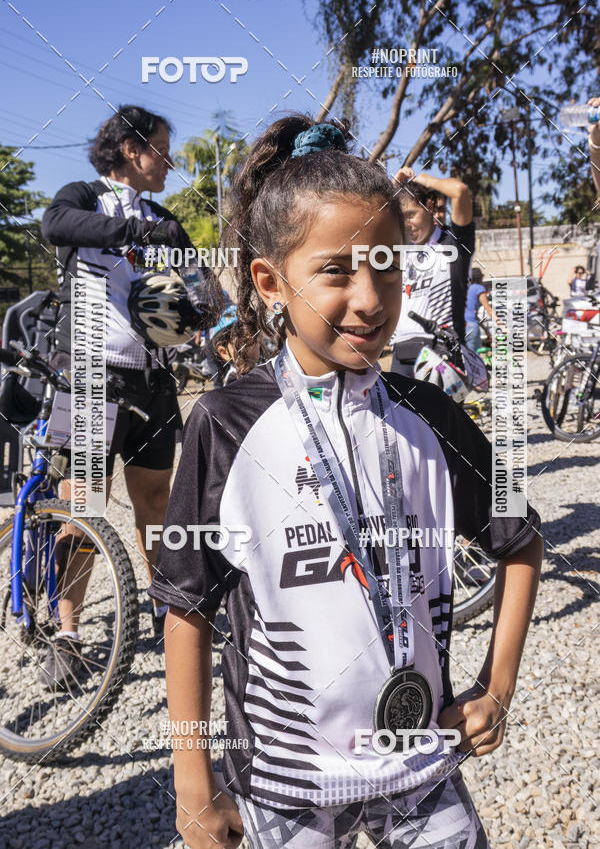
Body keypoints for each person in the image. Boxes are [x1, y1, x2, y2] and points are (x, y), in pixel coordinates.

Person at [149, 115, 543, 849]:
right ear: (270, 282)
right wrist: (193, 782)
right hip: (285, 782)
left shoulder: (431, 415)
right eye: (336, 271)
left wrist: (497, 688)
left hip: (421, 765)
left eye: (387, 266)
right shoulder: (226, 424)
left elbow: (520, 539)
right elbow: (185, 608)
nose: (370, 298)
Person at [40, 105, 222, 685]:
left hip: (154, 379)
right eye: (161, 150)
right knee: (84, 508)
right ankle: (67, 633)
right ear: (130, 149)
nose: (170, 162)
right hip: (92, 374)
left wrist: (202, 309)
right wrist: (138, 233)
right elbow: (55, 226)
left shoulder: (165, 218)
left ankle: (166, 609)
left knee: (157, 501)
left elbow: (201, 287)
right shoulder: (85, 197)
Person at [389, 168, 474, 376]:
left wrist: (421, 179)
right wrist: (392, 189)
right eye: (402, 218)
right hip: (401, 352)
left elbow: (459, 191)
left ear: (428, 207)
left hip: (442, 350)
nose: (407, 224)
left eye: (411, 215)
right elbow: (367, 220)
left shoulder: (453, 244)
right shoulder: (400, 249)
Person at [464, 267, 500, 353]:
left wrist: (486, 330)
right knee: (475, 355)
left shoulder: (467, 289)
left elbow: (473, 316)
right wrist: (502, 326)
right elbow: (488, 309)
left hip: (463, 326)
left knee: (467, 355)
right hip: (472, 327)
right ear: (480, 277)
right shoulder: (479, 288)